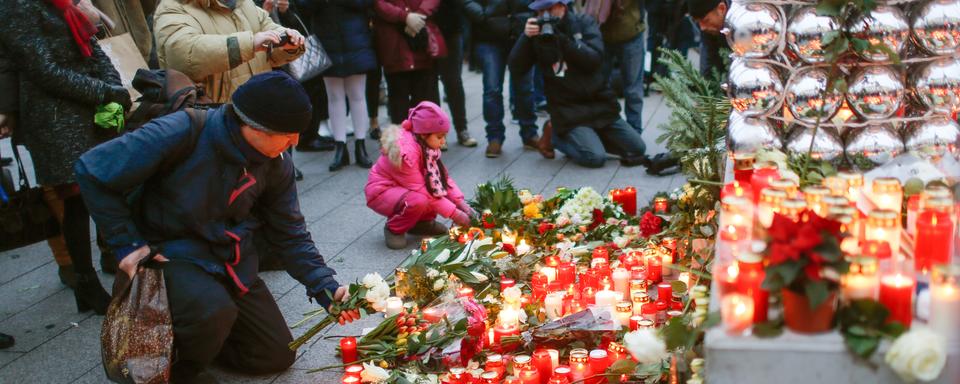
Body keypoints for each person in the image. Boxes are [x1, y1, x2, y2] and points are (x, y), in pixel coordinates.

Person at [76, 72, 358, 383]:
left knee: (275, 353)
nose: (295, 142)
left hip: (230, 258)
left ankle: (203, 341)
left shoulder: (277, 162)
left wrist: (325, 286)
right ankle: (177, 370)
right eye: (288, 133)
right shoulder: (182, 130)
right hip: (170, 251)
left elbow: (289, 231)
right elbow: (91, 169)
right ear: (254, 126)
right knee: (210, 310)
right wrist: (127, 244)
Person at [0, 0, 131, 314]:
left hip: (91, 106)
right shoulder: (14, 7)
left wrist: (113, 85)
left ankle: (119, 261)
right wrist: (101, 90)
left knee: (106, 185)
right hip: (55, 115)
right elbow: (41, 69)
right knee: (75, 197)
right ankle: (85, 282)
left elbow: (91, 44)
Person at [509, 0, 649, 168]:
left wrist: (563, 40)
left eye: (549, 9)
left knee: (638, 148)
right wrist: (525, 38)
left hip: (600, 106)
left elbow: (594, 59)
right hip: (569, 112)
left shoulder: (584, 22)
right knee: (595, 158)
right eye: (541, 11)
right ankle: (556, 137)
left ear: (562, 7)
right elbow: (516, 68)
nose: (545, 16)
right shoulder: (537, 34)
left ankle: (589, 138)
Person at [365, 102, 473, 249]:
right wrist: (456, 214)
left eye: (445, 136)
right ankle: (394, 228)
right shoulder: (405, 154)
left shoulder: (427, 147)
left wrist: (461, 204)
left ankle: (421, 224)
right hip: (382, 191)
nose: (443, 141)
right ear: (423, 134)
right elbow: (426, 192)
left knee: (434, 190)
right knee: (420, 199)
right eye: (440, 136)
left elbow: (442, 180)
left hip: (404, 188)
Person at [154, 0, 306, 103]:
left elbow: (266, 27)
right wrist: (249, 44)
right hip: (213, 121)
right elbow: (184, 55)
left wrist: (286, 39)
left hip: (259, 110)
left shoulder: (244, 3)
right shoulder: (173, 7)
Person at [298, 0, 377, 170]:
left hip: (355, 37)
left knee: (357, 94)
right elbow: (303, 5)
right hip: (327, 38)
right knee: (334, 96)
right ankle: (340, 146)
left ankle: (360, 145)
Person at [460, 0, 538, 158]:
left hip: (522, 31)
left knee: (525, 88)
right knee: (492, 89)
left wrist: (535, 15)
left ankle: (530, 133)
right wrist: (481, 13)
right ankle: (494, 137)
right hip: (489, 34)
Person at [374, 0, 444, 124]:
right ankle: (404, 142)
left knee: (427, 106)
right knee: (399, 110)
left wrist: (418, 17)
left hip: (422, 41)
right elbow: (379, 3)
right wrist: (405, 17)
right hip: (394, 46)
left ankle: (428, 141)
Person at [591, 0, 645, 135]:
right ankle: (604, 129)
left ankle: (635, 132)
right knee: (600, 86)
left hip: (630, 33)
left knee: (633, 90)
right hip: (601, 34)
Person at [435, 0, 478, 148]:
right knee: (429, 84)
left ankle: (462, 129)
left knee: (453, 81)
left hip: (451, 28)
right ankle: (435, 132)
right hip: (426, 26)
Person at [687, 0, 728, 77]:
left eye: (706, 20)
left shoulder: (745, 23)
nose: (702, 28)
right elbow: (708, 65)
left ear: (722, 9)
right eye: (698, 22)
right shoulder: (709, 29)